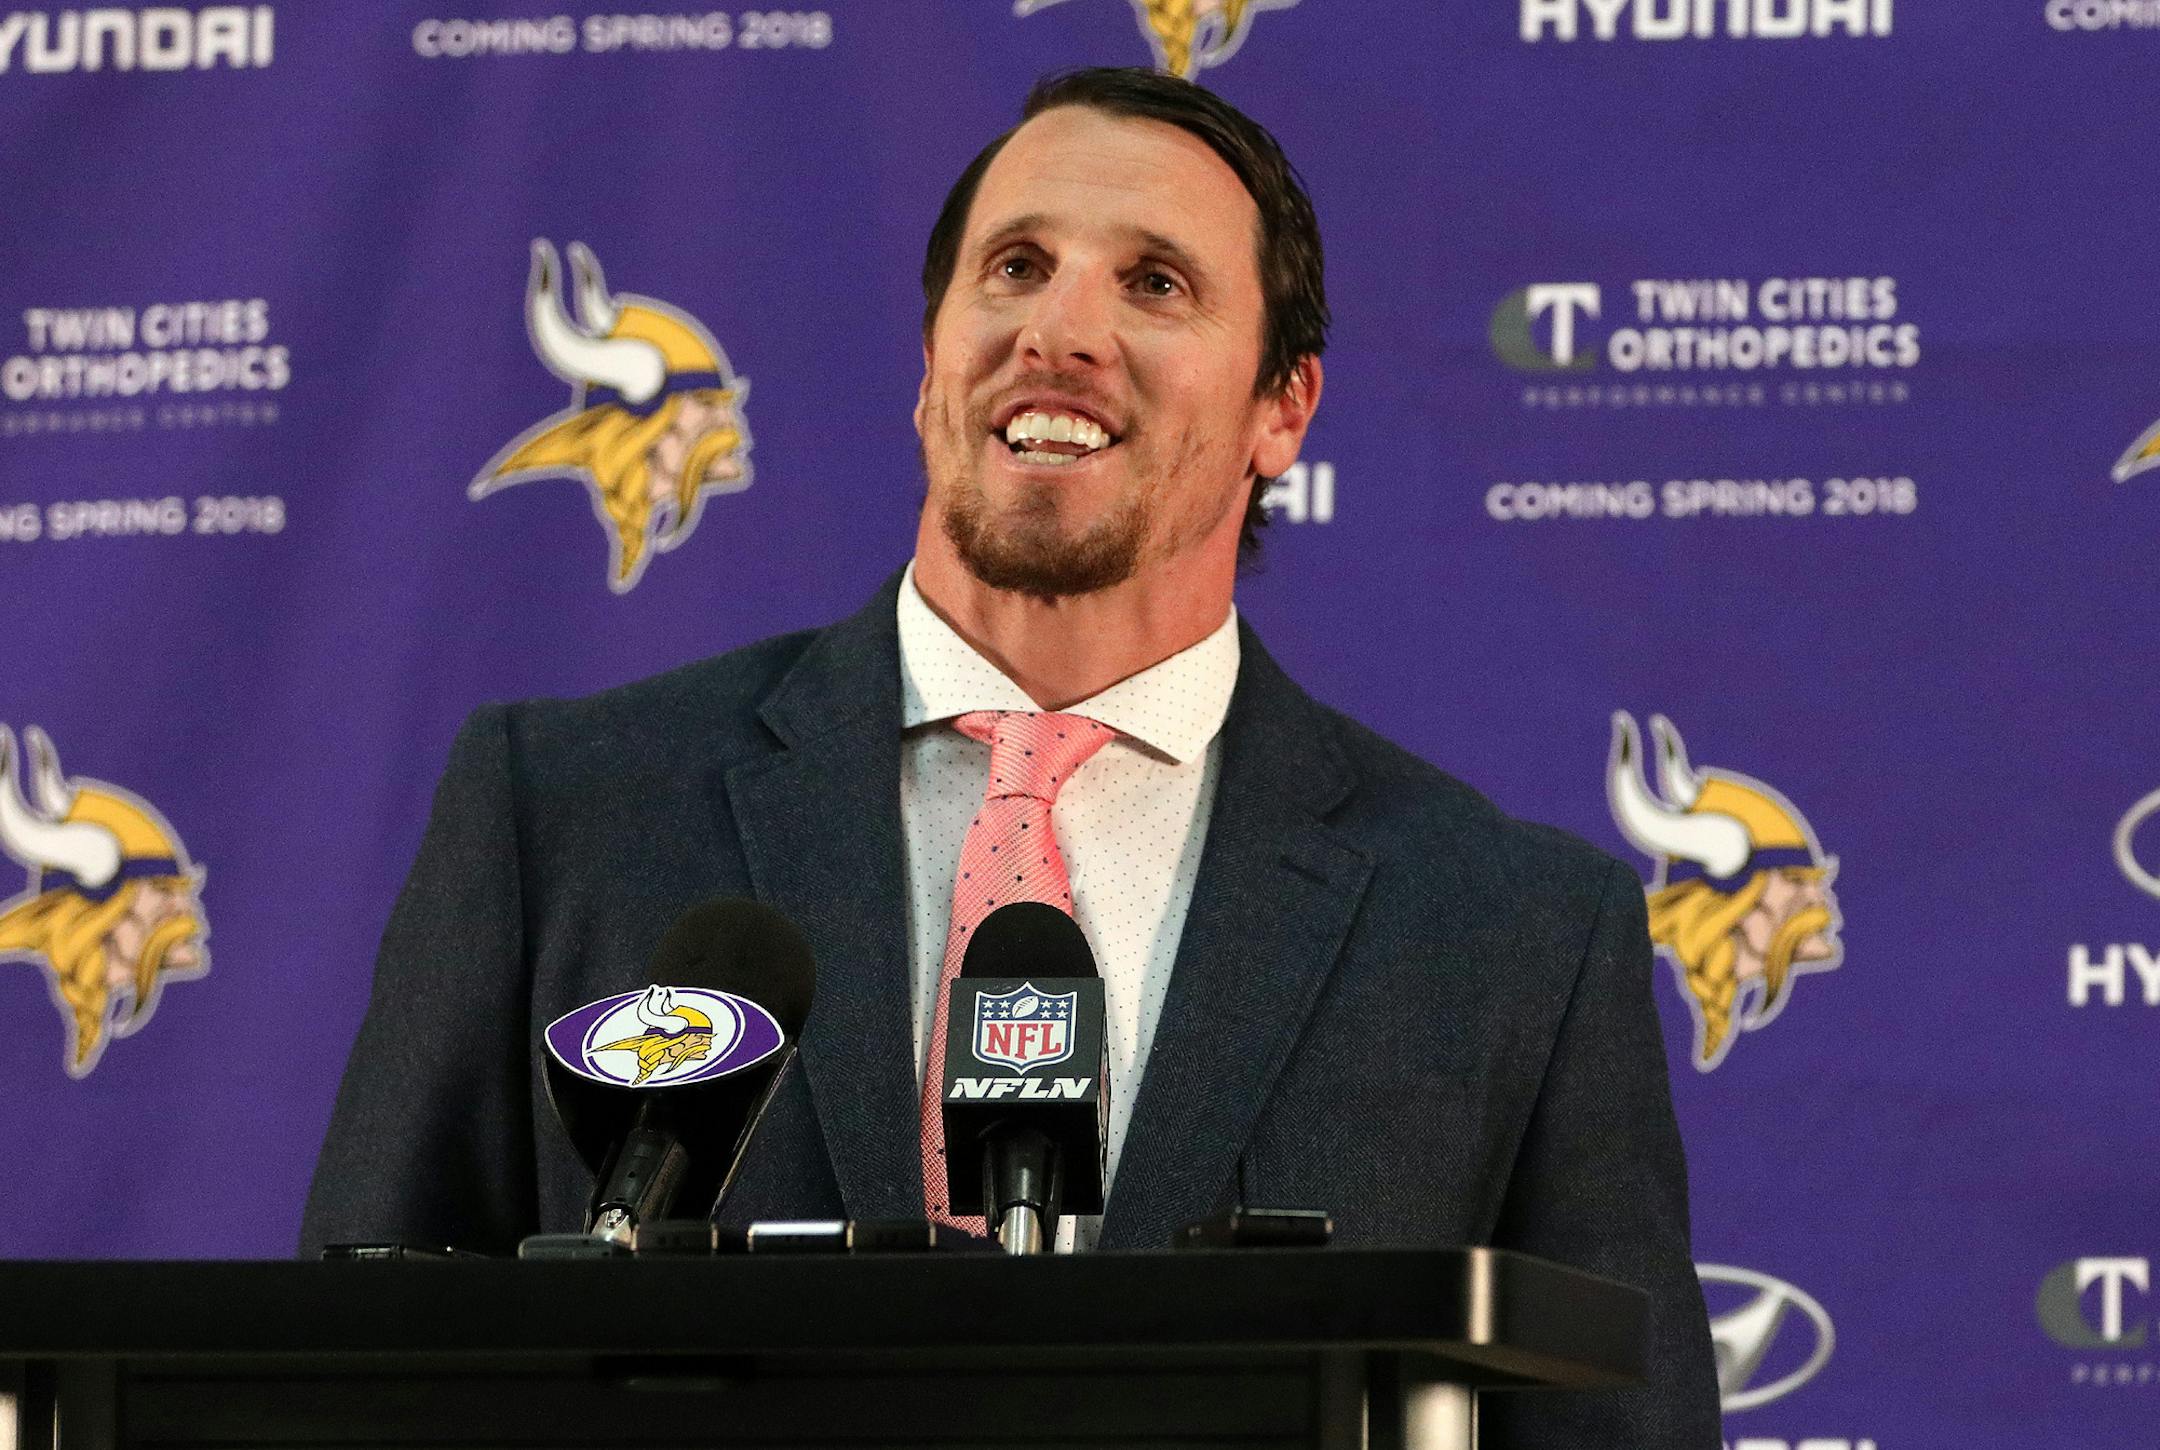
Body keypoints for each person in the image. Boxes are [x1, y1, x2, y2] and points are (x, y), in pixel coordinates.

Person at [302, 67, 1720, 1444]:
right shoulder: (563, 812)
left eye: (1155, 282)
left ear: (1283, 408)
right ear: (930, 368)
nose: (1061, 331)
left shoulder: (1511, 932)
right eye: (1017, 266)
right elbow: (339, 1384)